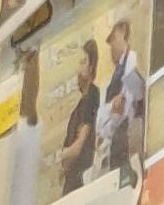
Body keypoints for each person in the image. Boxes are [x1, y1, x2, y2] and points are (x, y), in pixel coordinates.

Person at [99, 12, 147, 185]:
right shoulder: (115, 74)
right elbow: (102, 120)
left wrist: (112, 114)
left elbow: (128, 102)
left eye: (112, 39)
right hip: (116, 144)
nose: (110, 45)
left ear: (122, 32)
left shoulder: (132, 61)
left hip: (130, 136)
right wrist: (111, 109)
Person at [59, 35, 103, 194]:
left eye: (84, 62)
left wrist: (62, 155)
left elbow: (78, 146)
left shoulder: (91, 96)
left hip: (79, 180)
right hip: (73, 180)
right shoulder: (80, 105)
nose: (79, 69)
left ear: (92, 67)